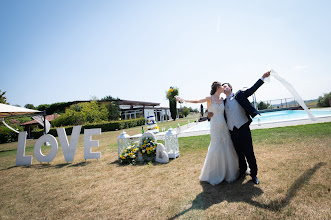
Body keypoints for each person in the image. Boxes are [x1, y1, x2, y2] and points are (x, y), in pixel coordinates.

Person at [208, 71, 271, 185]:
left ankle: (254, 175)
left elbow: (252, 89)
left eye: (225, 86)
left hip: (243, 128)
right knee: (239, 153)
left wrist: (262, 77)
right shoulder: (223, 102)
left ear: (231, 88)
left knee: (249, 152)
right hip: (232, 131)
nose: (223, 87)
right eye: (222, 86)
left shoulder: (240, 94)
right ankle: (242, 172)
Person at [176, 82, 239, 185]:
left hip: (223, 125)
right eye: (222, 86)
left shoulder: (223, 99)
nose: (224, 87)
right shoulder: (209, 98)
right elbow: (196, 101)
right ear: (217, 88)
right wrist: (183, 100)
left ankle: (229, 171)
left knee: (227, 144)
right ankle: (215, 173)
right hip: (215, 126)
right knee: (216, 146)